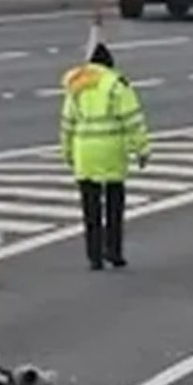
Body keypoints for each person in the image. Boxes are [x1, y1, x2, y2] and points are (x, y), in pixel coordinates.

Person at [59, 43, 151, 270]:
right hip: (111, 152)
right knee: (114, 204)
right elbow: (132, 120)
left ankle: (94, 256)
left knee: (90, 208)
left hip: (85, 153)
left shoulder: (77, 85)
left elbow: (67, 123)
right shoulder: (116, 85)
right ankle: (114, 250)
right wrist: (142, 149)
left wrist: (68, 152)